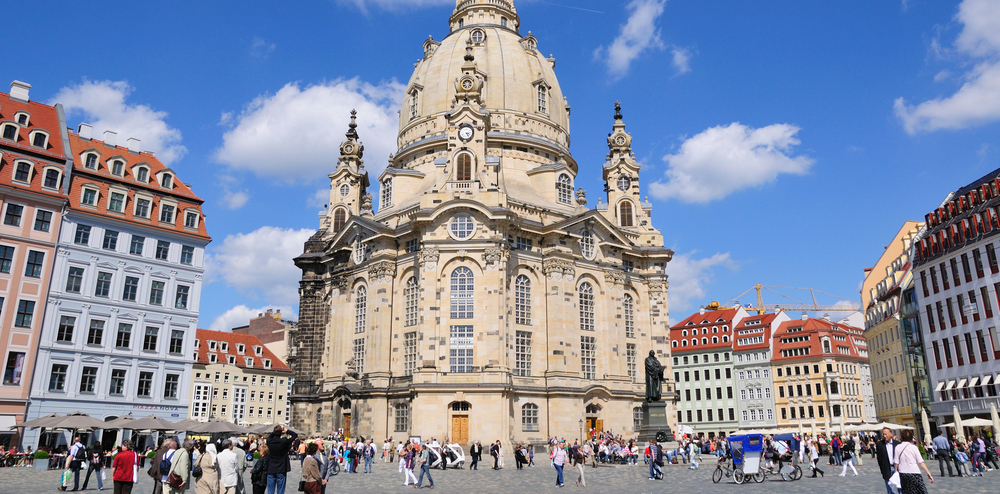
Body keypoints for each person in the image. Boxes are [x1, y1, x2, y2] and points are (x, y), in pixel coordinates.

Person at [265, 425, 297, 494]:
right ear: (281, 433)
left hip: (271, 468)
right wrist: (286, 429)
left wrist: (276, 430)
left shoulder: (269, 441)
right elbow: (294, 435)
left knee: (270, 491)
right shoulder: (284, 441)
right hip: (281, 468)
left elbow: (270, 437)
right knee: (280, 490)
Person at [876, 427, 901, 494]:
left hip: (898, 469)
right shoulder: (880, 444)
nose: (884, 436)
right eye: (883, 434)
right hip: (887, 469)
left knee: (900, 488)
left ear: (891, 434)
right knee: (890, 490)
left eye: (886, 434)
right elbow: (879, 459)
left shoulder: (897, 444)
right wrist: (883, 470)